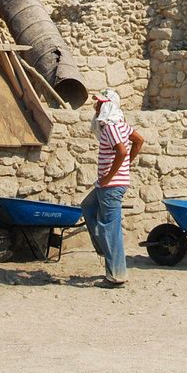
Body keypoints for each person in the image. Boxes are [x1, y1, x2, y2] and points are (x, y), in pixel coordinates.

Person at [80, 89, 144, 287]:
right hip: (110, 184)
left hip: (111, 186)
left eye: (99, 103)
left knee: (111, 229)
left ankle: (116, 276)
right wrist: (124, 166)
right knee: (88, 207)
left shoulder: (111, 127)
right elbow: (139, 140)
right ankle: (104, 248)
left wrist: (109, 176)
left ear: (107, 105)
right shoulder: (122, 125)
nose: (95, 106)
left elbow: (122, 151)